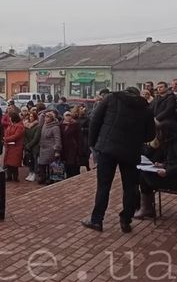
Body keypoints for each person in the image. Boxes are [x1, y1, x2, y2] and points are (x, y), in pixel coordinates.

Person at [82, 87, 155, 233]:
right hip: (131, 152)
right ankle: (126, 220)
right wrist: (136, 137)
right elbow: (150, 135)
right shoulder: (145, 108)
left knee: (103, 186)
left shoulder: (111, 99)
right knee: (130, 187)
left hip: (107, 149)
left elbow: (95, 120)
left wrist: (93, 143)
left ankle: (97, 220)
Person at [37, 110, 62, 184]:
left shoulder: (55, 127)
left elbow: (57, 139)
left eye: (48, 117)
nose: (46, 118)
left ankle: (50, 178)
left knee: (50, 165)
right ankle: (43, 177)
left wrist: (57, 150)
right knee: (42, 164)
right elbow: (40, 116)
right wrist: (45, 112)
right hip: (43, 148)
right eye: (46, 117)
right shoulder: (44, 125)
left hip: (51, 148)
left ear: (51, 118)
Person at [60, 111, 84, 179]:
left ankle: (74, 177)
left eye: (69, 115)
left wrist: (79, 148)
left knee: (73, 164)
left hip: (73, 147)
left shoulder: (75, 125)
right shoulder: (61, 125)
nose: (68, 117)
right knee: (66, 164)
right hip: (64, 148)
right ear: (64, 117)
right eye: (66, 115)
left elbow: (79, 137)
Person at [2, 112, 25, 182]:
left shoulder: (20, 126)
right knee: (8, 163)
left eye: (10, 117)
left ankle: (15, 176)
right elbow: (6, 133)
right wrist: (6, 138)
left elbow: (16, 136)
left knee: (14, 163)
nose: (9, 119)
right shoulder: (11, 125)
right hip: (9, 146)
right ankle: (9, 176)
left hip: (16, 147)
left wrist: (6, 139)